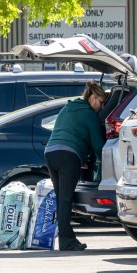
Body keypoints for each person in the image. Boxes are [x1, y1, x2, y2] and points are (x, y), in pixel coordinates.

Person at [43, 80, 107, 251]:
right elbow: (98, 147)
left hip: (50, 153)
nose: (101, 107)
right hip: (68, 156)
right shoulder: (90, 115)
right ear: (92, 98)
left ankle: (68, 238)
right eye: (100, 102)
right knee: (65, 200)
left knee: (61, 199)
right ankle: (66, 241)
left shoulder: (67, 108)